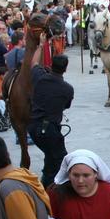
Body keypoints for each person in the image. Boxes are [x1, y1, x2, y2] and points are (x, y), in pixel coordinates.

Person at [28, 55, 74, 188]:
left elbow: (34, 62)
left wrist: (41, 45)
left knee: (50, 156)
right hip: (49, 130)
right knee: (61, 160)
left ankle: (46, 181)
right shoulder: (67, 89)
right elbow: (66, 105)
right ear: (65, 68)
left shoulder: (39, 77)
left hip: (32, 127)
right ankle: (50, 188)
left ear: (51, 65)